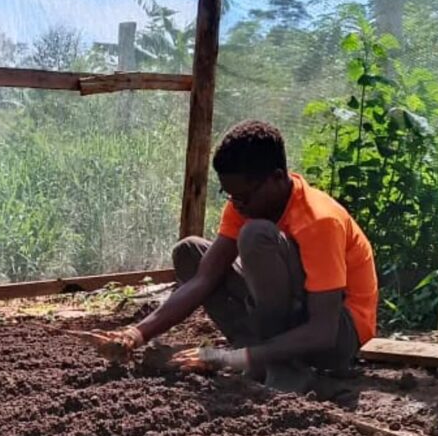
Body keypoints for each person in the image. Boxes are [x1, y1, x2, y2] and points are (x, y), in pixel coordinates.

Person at [79, 120, 377, 392]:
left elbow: (322, 331)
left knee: (255, 236)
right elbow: (204, 279)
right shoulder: (244, 206)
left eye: (244, 196)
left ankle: (277, 366)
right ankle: (257, 354)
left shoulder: (319, 221)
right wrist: (135, 334)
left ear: (275, 178)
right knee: (190, 253)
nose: (236, 205)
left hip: (335, 336)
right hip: (289, 320)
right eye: (229, 195)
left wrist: (224, 359)